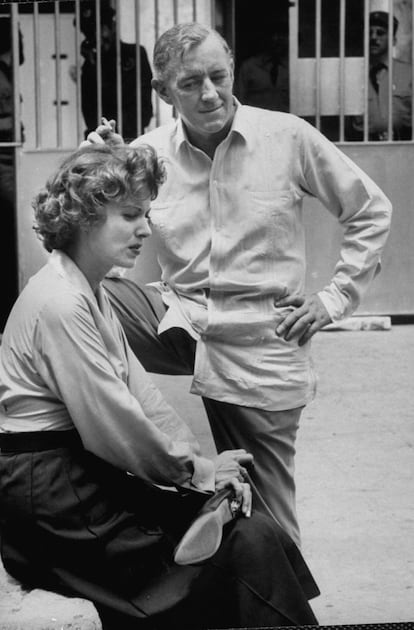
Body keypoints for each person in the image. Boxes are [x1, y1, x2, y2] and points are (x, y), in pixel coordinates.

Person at [86, 22, 392, 549]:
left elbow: (370, 211)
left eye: (218, 76)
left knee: (270, 521)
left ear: (231, 71)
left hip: (261, 344)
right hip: (177, 323)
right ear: (163, 92)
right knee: (78, 293)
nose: (209, 94)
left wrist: (333, 296)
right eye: (189, 84)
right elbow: (94, 234)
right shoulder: (148, 151)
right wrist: (97, 170)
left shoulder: (288, 137)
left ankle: (275, 599)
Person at [0, 143, 320, 630]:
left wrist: (200, 465)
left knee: (238, 527)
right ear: (84, 218)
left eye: (146, 214)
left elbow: (141, 395)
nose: (146, 230)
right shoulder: (61, 303)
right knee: (239, 543)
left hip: (73, 476)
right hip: (49, 497)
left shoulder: (89, 289)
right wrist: (199, 473)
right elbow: (114, 425)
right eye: (130, 215)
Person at [71, 0, 153, 140]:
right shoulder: (90, 64)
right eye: (91, 32)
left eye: (102, 28)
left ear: (113, 26)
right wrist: (92, 65)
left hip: (131, 137)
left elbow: (143, 106)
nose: (99, 36)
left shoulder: (134, 54)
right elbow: (90, 112)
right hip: (101, 139)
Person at [348, 9, 412, 141]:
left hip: (403, 146)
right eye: (369, 33)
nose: (373, 37)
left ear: (393, 40)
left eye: (380, 33)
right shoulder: (353, 73)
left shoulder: (409, 73)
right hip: (362, 147)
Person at [235, 28, 290, 112]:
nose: (277, 44)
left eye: (281, 40)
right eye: (274, 40)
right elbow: (239, 97)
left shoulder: (291, 68)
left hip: (284, 119)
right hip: (256, 119)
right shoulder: (250, 66)